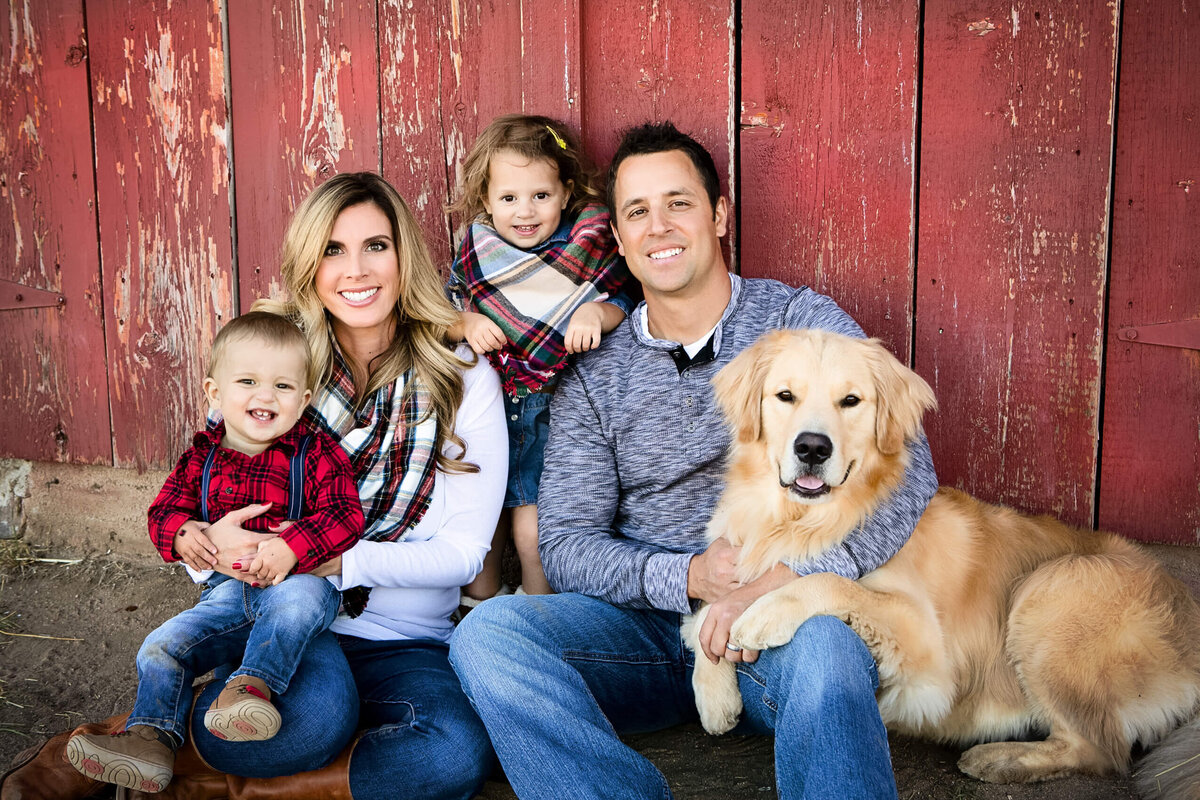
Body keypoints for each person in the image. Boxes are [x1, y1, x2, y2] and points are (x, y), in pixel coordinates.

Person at [449, 122, 940, 800]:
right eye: (637, 212)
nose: (660, 226)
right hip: (643, 635)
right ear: (617, 239)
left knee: (830, 646)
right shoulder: (595, 371)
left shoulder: (799, 320)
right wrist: (689, 578)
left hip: (777, 621)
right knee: (489, 635)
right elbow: (564, 545)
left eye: (678, 203)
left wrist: (778, 581)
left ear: (718, 215)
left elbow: (910, 472)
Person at [7, 172, 506, 800]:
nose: (356, 270)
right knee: (301, 726)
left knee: (452, 755)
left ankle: (190, 776)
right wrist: (212, 544)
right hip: (271, 615)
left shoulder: (460, 376)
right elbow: (205, 497)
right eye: (332, 249)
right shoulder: (269, 360)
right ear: (309, 264)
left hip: (401, 636)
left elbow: (463, 554)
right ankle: (142, 738)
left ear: (404, 255)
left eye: (376, 246)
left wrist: (320, 557)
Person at [65, 312, 364, 793]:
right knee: (162, 644)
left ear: (304, 400)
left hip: (294, 584)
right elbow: (162, 511)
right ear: (214, 393)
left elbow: (345, 513)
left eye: (283, 386)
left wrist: (293, 544)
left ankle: (249, 688)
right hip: (225, 596)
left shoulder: (315, 454)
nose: (265, 396)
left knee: (299, 605)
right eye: (247, 381)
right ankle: (150, 736)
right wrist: (183, 535)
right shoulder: (199, 459)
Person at [447, 114, 635, 599]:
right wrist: (466, 323)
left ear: (566, 191)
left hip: (552, 413)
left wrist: (597, 313)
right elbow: (438, 313)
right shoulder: (478, 252)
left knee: (533, 533)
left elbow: (625, 301)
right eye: (508, 198)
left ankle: (535, 618)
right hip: (487, 414)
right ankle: (476, 615)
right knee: (481, 529)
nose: (524, 211)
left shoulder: (586, 248)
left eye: (540, 196)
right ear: (487, 200)